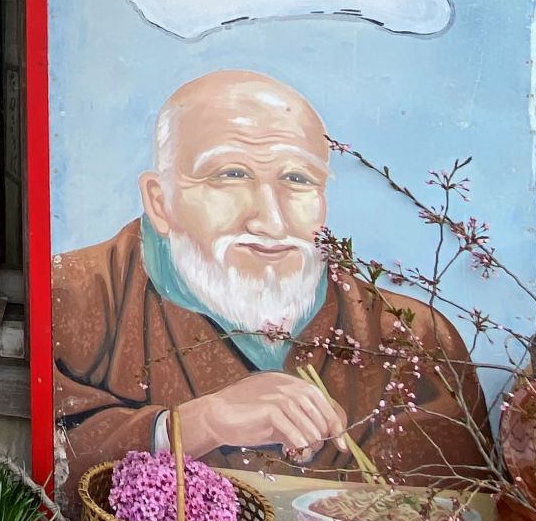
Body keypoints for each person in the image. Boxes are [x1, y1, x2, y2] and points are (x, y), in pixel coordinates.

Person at [55, 69, 491, 486]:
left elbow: (449, 514)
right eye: (230, 175)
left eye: (297, 178)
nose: (270, 220)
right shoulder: (78, 297)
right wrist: (194, 424)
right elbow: (43, 466)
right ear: (160, 201)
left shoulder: (412, 341)